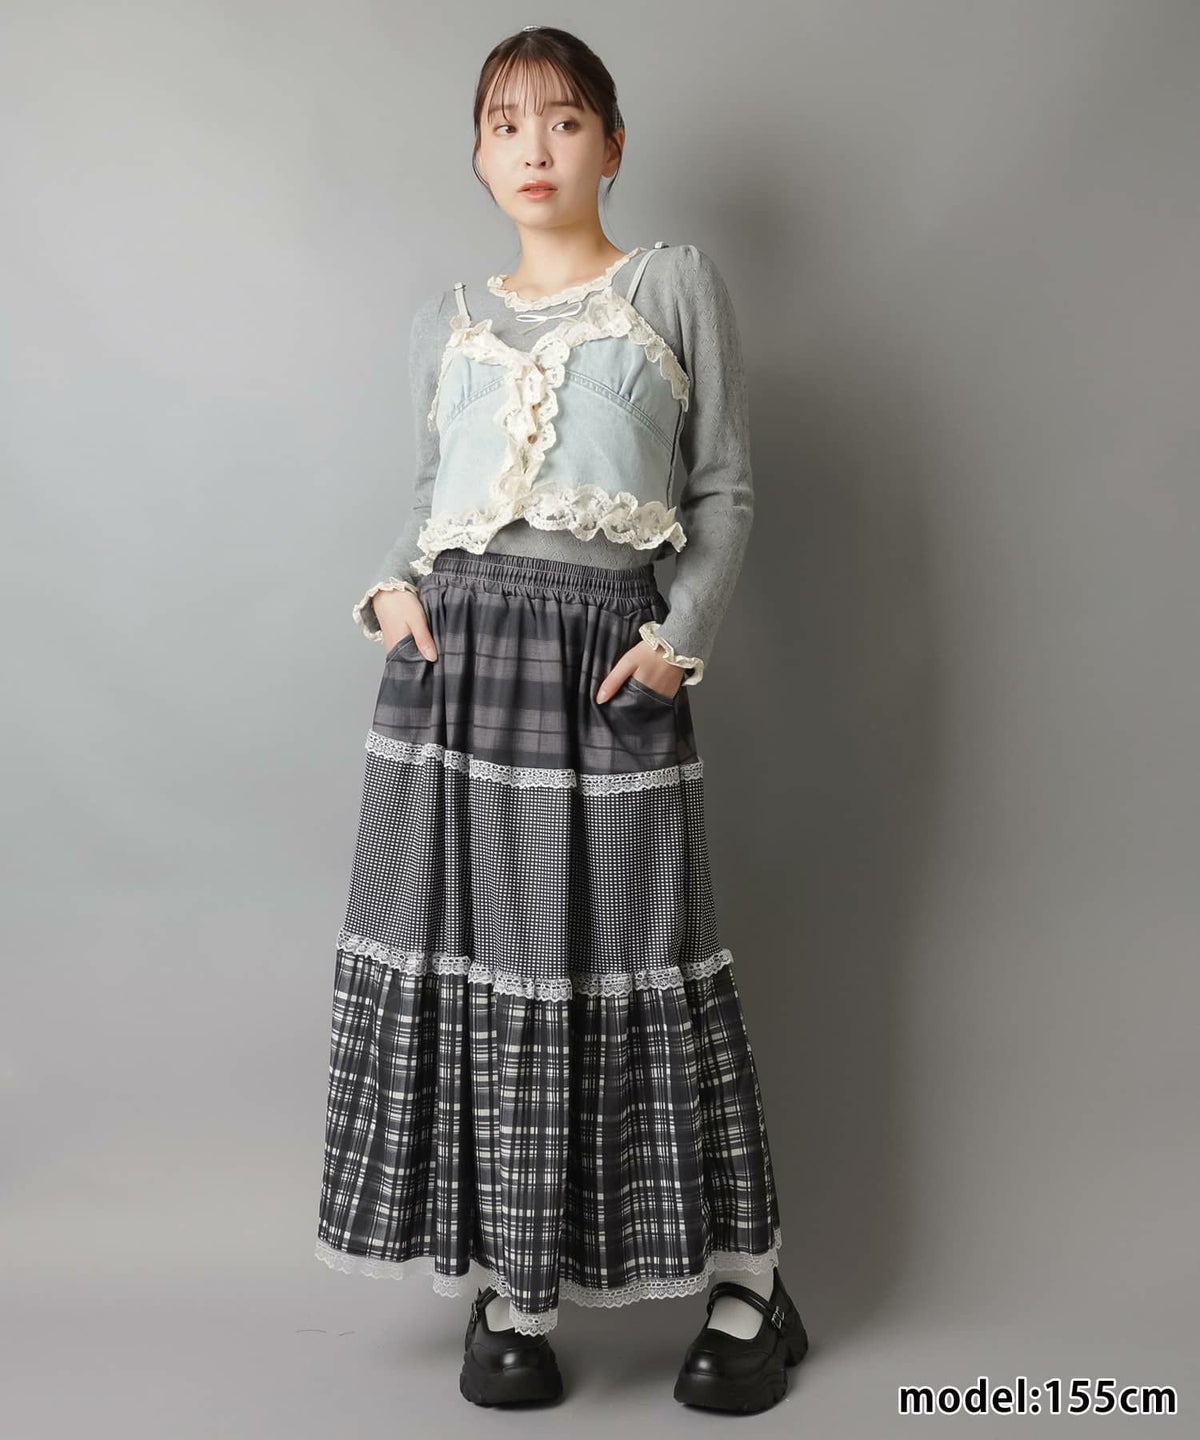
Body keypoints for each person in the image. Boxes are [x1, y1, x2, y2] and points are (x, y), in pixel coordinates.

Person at [314, 23, 809, 1415]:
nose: (535, 147)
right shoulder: (446, 321)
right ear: (478, 158)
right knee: (488, 966)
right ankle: (515, 1288)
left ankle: (751, 1280)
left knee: (647, 956)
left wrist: (675, 645)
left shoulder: (673, 284)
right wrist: (390, 598)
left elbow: (721, 490)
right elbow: (432, 508)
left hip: (608, 665)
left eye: (565, 119)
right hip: (453, 678)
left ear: (612, 144)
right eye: (506, 125)